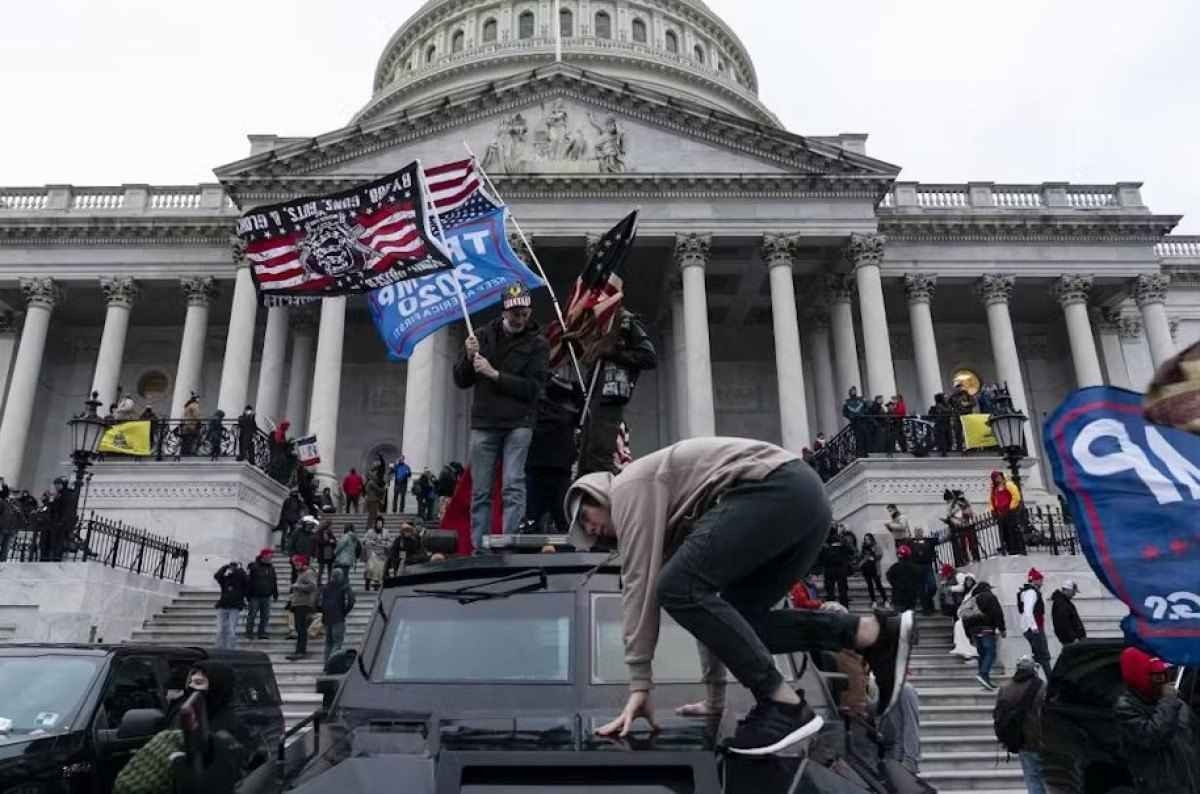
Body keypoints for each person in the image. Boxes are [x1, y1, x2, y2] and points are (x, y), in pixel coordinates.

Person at [564, 437, 915, 755]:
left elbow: (639, 588)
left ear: (597, 493)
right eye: (585, 533)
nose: (590, 530)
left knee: (673, 587)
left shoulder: (628, 488)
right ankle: (870, 633)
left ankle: (784, 705)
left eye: (585, 518)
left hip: (776, 488)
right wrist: (715, 699)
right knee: (738, 618)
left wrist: (639, 684)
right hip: (804, 502)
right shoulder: (669, 518)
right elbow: (711, 618)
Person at [453, 281, 550, 548]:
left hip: (519, 422)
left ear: (529, 311)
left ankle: (510, 544)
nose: (519, 317)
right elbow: (461, 380)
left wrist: (494, 374)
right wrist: (467, 357)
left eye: (524, 312)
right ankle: (479, 548)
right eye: (514, 312)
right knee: (481, 491)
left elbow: (534, 388)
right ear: (504, 310)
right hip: (485, 422)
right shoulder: (482, 336)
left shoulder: (538, 344)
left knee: (512, 484)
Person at [578, 309, 657, 476]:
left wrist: (615, 354)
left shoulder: (626, 323)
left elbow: (649, 357)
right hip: (592, 397)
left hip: (611, 396)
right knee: (586, 459)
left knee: (600, 458)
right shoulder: (596, 325)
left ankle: (609, 496)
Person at [1114, 646, 1200, 794]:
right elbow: (1153, 736)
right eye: (1155, 676)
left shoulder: (1177, 705)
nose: (1161, 681)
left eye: (1162, 675)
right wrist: (1168, 702)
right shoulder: (1126, 709)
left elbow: (1194, 739)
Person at [525, 374, 582, 532]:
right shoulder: (569, 414)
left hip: (539, 468)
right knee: (563, 521)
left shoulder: (534, 407)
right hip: (556, 469)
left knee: (534, 520)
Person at [993, 656, 1046, 794]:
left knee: (1032, 779)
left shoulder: (1006, 688)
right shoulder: (1041, 687)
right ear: (1033, 669)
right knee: (1047, 780)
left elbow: (998, 715)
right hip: (1041, 740)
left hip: (1020, 740)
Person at [960, 579, 1006, 689]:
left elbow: (964, 618)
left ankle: (985, 680)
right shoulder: (990, 597)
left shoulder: (971, 600)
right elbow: (997, 613)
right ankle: (983, 674)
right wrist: (1002, 629)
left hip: (974, 632)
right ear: (988, 588)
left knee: (982, 655)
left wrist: (969, 635)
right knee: (991, 653)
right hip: (987, 629)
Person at [1018, 568, 1053, 679]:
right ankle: (1051, 681)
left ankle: (1034, 680)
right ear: (1035, 581)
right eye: (1041, 580)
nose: (1042, 582)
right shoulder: (1031, 592)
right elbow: (1028, 611)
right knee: (1043, 656)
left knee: (1038, 657)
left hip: (1031, 628)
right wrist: (1034, 627)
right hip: (1034, 628)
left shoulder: (1028, 592)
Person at [879, 682, 921, 775]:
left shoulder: (904, 689)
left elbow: (911, 727)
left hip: (899, 759)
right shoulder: (880, 688)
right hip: (881, 758)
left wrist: (909, 762)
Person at [319, 567, 356, 665]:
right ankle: (331, 665)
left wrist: (322, 611)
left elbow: (317, 601)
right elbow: (351, 600)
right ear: (341, 577)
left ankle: (326, 664)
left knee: (328, 643)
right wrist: (345, 612)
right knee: (337, 642)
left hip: (327, 617)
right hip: (338, 617)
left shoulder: (326, 586)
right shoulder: (344, 586)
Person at [286, 557, 319, 661]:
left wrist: (297, 586)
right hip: (298, 604)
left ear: (303, 563)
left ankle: (301, 651)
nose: (295, 565)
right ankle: (298, 650)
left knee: (301, 629)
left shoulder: (308, 572)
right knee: (299, 628)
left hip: (303, 604)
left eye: (297, 563)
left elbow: (313, 586)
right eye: (295, 563)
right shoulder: (301, 573)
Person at [213, 561, 248, 650]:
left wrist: (240, 569)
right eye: (232, 567)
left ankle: (230, 649)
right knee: (220, 630)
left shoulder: (241, 581)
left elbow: (247, 580)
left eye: (234, 567)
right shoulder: (225, 580)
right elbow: (217, 576)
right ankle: (219, 648)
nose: (233, 569)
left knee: (232, 630)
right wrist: (225, 567)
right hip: (223, 606)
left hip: (235, 607)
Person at [989, 470, 1025, 555]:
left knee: (1012, 530)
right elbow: (992, 500)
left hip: (1010, 511)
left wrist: (1011, 507)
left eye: (998, 476)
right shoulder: (995, 489)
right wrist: (993, 510)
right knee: (1004, 532)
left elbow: (1016, 496)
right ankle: (1009, 548)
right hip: (1000, 513)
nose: (998, 479)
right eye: (995, 478)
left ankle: (1016, 548)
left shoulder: (1008, 485)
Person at [245, 548, 277, 640]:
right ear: (264, 556)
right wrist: (248, 595)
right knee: (252, 615)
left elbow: (273, 581)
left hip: (267, 596)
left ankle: (262, 633)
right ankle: (249, 632)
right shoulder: (254, 566)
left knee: (265, 616)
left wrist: (275, 593)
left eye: (271, 556)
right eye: (269, 555)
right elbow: (248, 582)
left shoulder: (271, 567)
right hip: (255, 596)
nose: (271, 557)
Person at [819, 527, 854, 608]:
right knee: (843, 591)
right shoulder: (842, 540)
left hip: (829, 569)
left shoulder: (824, 541)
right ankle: (845, 609)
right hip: (841, 569)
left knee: (830, 592)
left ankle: (831, 611)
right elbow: (851, 551)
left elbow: (820, 556)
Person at [943, 488, 979, 565]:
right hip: (960, 527)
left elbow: (970, 512)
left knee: (972, 542)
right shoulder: (952, 506)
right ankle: (965, 559)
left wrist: (965, 514)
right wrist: (955, 521)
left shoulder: (964, 502)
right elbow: (950, 516)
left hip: (968, 524)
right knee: (962, 545)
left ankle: (975, 557)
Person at [908, 527, 938, 614]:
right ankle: (926, 608)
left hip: (927, 566)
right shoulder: (910, 542)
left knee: (932, 586)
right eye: (916, 532)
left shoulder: (928, 541)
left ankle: (929, 600)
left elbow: (941, 539)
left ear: (922, 532)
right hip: (916, 567)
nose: (918, 533)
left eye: (919, 532)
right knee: (920, 589)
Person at [886, 545, 924, 613]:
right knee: (909, 618)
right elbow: (919, 579)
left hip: (898, 597)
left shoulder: (895, 567)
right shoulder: (915, 567)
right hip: (911, 597)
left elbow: (889, 576)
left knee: (898, 618)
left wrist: (895, 585)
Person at [1051, 579, 1087, 646]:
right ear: (1067, 590)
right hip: (1071, 640)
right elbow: (1064, 623)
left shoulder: (1064, 602)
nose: (1074, 594)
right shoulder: (1062, 603)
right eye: (1073, 592)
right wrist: (1073, 638)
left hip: (1072, 639)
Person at [287, 515, 318, 584]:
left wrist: (314, 556)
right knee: (295, 575)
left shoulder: (312, 535)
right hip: (296, 557)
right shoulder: (297, 532)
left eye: (311, 525)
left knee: (305, 574)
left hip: (306, 559)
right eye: (308, 525)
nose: (309, 527)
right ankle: (294, 589)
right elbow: (290, 545)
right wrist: (292, 555)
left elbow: (315, 547)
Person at [858, 532, 887, 606]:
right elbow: (861, 557)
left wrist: (872, 554)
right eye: (865, 539)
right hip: (866, 569)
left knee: (878, 585)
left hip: (875, 568)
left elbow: (879, 555)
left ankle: (885, 600)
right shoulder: (863, 547)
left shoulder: (876, 546)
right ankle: (873, 601)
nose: (866, 540)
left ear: (871, 539)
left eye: (868, 539)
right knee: (870, 585)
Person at [363, 517, 389, 591]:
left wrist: (384, 543)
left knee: (379, 571)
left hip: (382, 554)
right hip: (372, 553)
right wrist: (370, 542)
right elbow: (364, 540)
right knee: (370, 569)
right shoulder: (370, 531)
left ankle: (377, 586)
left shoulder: (386, 532)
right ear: (375, 524)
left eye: (380, 524)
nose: (379, 525)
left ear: (382, 524)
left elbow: (390, 543)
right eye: (378, 524)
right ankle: (367, 584)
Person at [948, 382, 975, 451]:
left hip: (966, 415)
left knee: (968, 431)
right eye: (957, 387)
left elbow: (974, 403)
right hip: (957, 416)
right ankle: (959, 447)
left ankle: (971, 446)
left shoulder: (967, 394)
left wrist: (967, 404)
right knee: (958, 431)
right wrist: (952, 410)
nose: (959, 389)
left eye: (960, 387)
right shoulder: (953, 396)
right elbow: (949, 404)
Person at [842, 387, 868, 457]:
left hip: (862, 420)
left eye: (855, 391)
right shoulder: (847, 402)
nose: (854, 392)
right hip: (854, 422)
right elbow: (844, 412)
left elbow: (866, 407)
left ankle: (865, 452)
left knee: (864, 436)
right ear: (850, 392)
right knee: (858, 438)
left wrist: (863, 413)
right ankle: (859, 453)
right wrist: (850, 417)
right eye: (852, 391)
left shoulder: (860, 400)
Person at [314, 519, 337, 586]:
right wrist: (329, 541)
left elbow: (334, 541)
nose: (331, 527)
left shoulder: (330, 533)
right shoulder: (319, 532)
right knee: (321, 568)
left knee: (330, 568)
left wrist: (332, 542)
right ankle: (319, 581)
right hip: (322, 552)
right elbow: (320, 542)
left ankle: (329, 581)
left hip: (329, 552)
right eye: (330, 526)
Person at [180, 392, 202, 457]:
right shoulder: (194, 405)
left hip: (185, 425)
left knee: (186, 439)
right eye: (198, 398)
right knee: (195, 439)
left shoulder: (188, 405)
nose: (199, 400)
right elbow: (197, 415)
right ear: (195, 399)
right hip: (191, 425)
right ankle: (191, 452)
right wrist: (200, 421)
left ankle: (184, 453)